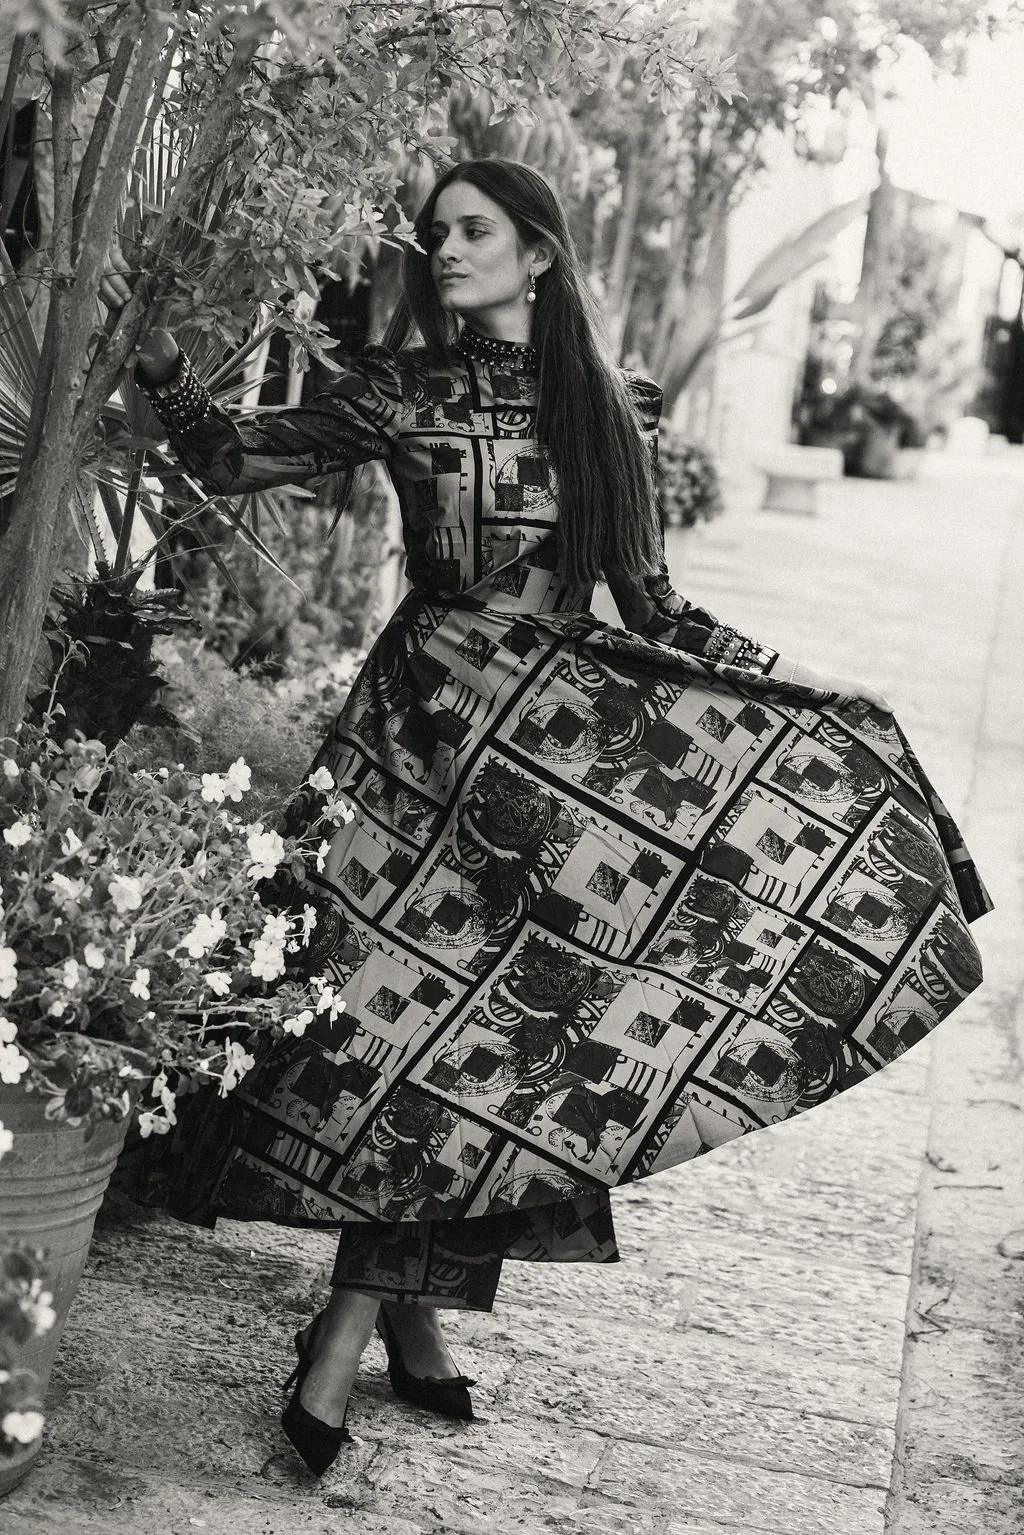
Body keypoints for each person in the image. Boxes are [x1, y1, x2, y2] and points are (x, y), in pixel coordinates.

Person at [102, 158, 990, 1477]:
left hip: (551, 772)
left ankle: (357, 1330)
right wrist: (170, 366)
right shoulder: (408, 388)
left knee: (502, 1051)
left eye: (473, 231)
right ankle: (388, 1319)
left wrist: (801, 699)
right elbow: (236, 458)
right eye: (436, 234)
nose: (444, 250)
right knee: (386, 1034)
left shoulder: (612, 406)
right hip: (409, 750)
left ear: (540, 253)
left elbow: (654, 605)